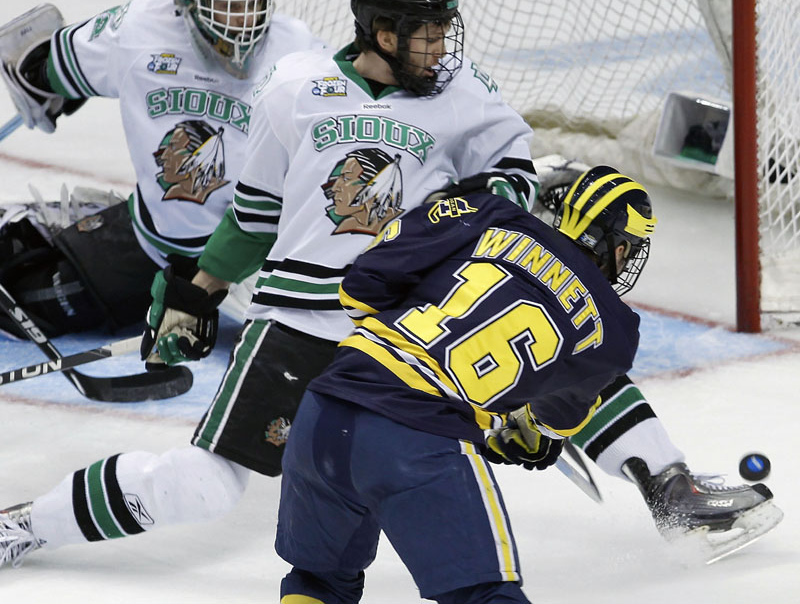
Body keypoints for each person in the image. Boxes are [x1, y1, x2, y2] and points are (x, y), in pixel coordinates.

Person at [0, 0, 539, 568]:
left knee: (436, 482)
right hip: (299, 329)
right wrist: (197, 294)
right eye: (428, 34)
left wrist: (464, 209)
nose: (443, 47)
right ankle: (28, 525)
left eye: (446, 32)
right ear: (384, 36)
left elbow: (516, 181)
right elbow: (254, 216)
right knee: (208, 484)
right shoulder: (296, 86)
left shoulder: (465, 90)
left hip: (407, 335)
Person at [273, 167, 780, 603]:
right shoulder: (615, 327)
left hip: (323, 409)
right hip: (416, 436)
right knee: (484, 595)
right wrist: (525, 433)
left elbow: (360, 286)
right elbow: (549, 426)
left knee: (320, 580)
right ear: (619, 247)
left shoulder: (491, 214)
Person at [0, 0, 326, 338]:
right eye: (225, 6)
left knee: (292, 342)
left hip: (251, 255)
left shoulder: (297, 50)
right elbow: (46, 63)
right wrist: (45, 81)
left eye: (252, 6)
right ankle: (43, 227)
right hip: (154, 242)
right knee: (35, 298)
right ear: (187, 0)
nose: (242, 24)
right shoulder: (142, 26)